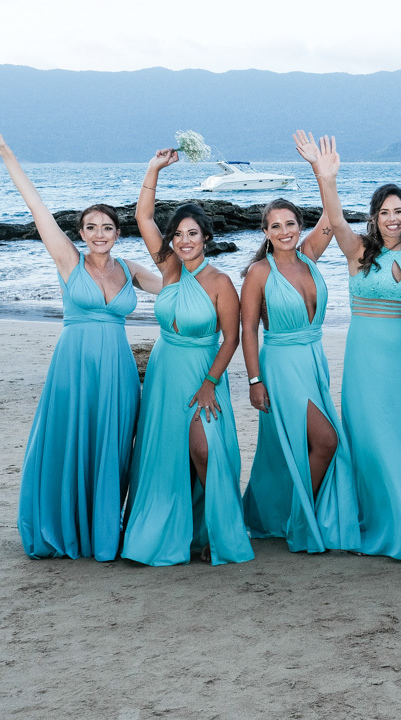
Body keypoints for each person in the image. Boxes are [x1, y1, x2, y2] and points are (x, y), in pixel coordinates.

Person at [0, 120, 160, 562]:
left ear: (119, 233)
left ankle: (101, 531)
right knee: (67, 442)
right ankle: (62, 527)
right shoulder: (68, 261)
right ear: (81, 233)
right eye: (92, 227)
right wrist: (7, 155)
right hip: (73, 365)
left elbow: (176, 285)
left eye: (108, 228)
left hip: (117, 368)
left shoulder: (131, 269)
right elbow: (36, 205)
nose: (99, 234)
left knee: (111, 447)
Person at [294, 130, 401, 560]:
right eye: (385, 212)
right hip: (367, 360)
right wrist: (324, 175)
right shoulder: (357, 252)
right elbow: (335, 219)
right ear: (374, 217)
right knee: (373, 439)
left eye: (399, 211)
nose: (393, 218)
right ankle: (374, 522)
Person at [121, 150, 254, 566]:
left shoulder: (220, 282)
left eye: (192, 233)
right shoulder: (170, 270)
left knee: (204, 451)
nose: (183, 240)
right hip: (163, 370)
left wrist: (210, 383)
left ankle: (215, 530)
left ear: (206, 238)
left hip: (202, 372)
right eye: (178, 234)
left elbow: (231, 338)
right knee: (164, 455)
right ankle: (168, 532)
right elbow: (144, 218)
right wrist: (153, 169)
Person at [239, 200, 361, 554]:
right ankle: (300, 518)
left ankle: (281, 514)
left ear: (299, 225)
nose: (284, 232)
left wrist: (321, 172)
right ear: (265, 233)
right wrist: (254, 380)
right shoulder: (260, 272)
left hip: (313, 359)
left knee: (292, 446)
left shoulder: (309, 254)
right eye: (275, 226)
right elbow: (248, 329)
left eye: (290, 223)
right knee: (326, 442)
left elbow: (331, 212)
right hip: (280, 364)